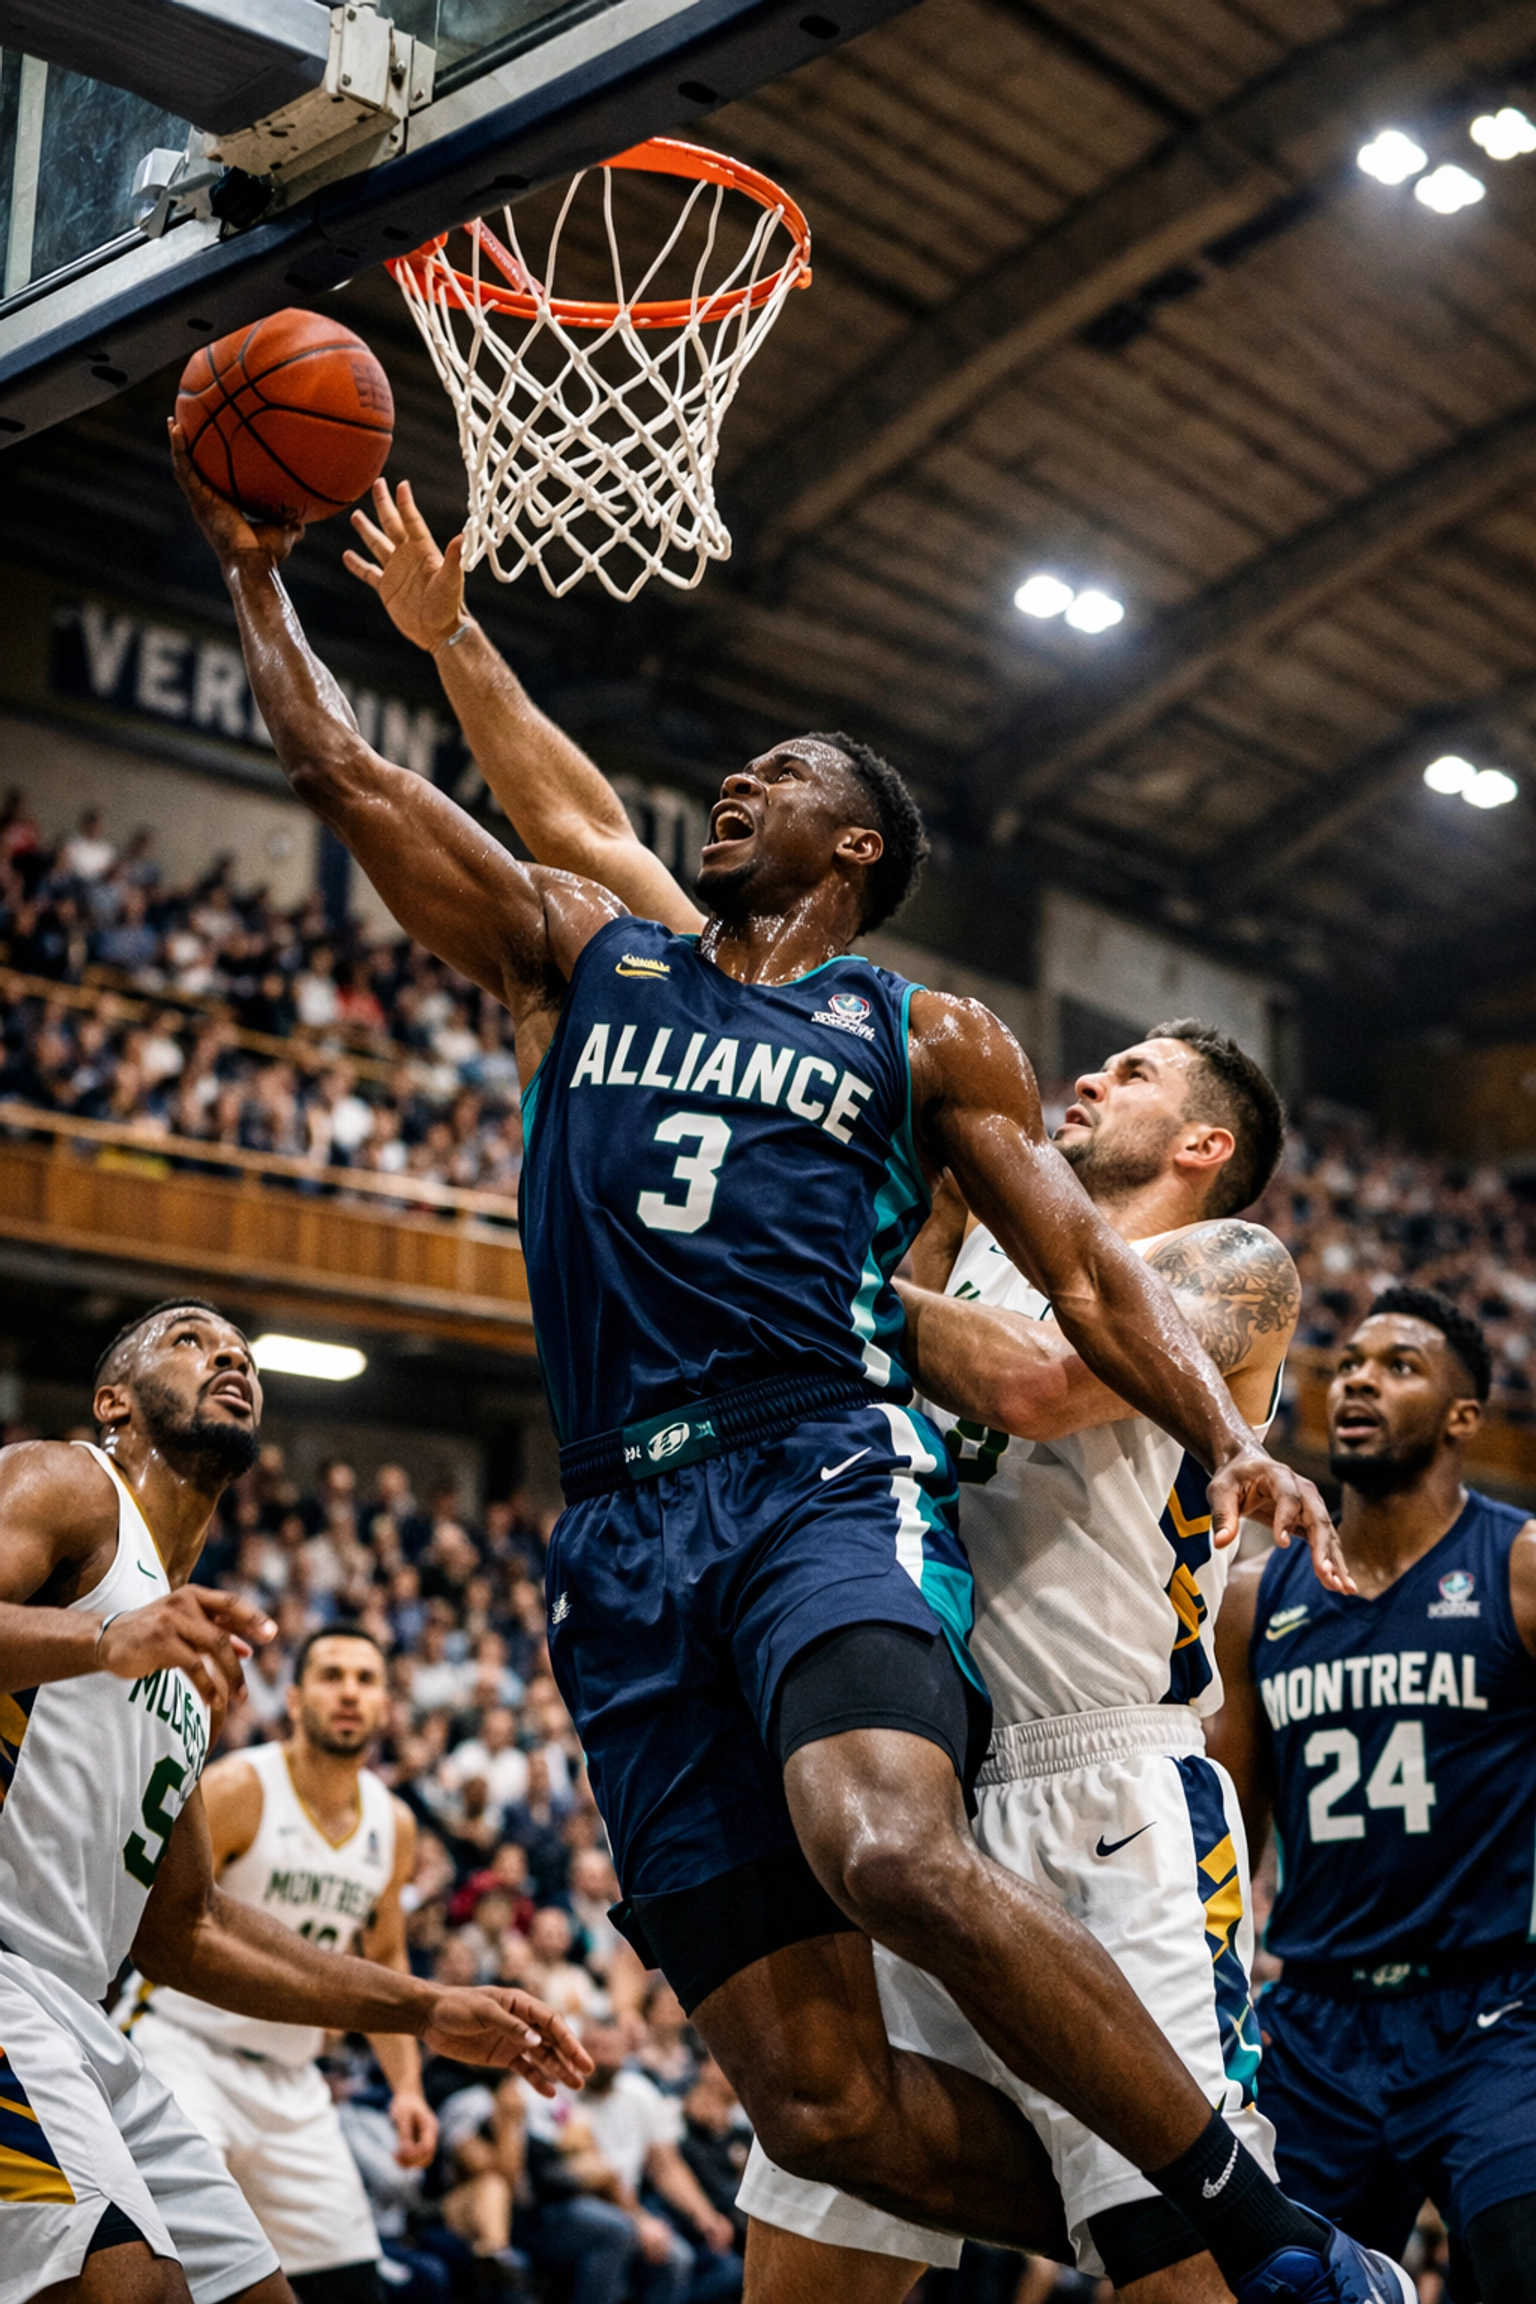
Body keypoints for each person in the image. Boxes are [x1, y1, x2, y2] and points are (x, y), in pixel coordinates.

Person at [173, 434, 1401, 2304]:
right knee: (819, 2107)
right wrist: (262, 572)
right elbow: (350, 767)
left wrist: (1232, 1430)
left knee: (883, 1847)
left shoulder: (919, 1033)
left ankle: (1254, 2232)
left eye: (786, 775)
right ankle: (1165, 2216)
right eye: (733, 772)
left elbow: (1081, 1279)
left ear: (857, 849)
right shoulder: (589, 957)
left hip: (815, 1470)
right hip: (614, 1532)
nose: (737, 779)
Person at [737, 1024, 1299, 2301]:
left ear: (1205, 1146)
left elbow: (1046, 1383)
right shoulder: (979, 1254)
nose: (1089, 1077)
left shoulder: (1225, 1263)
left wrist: (802, 1276)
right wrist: (928, 1207)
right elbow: (854, 1389)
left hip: (1110, 1798)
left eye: (1137, 1073)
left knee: (1188, 2268)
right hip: (909, 1789)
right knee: (807, 2258)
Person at [0, 1296, 589, 2304]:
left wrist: (424, 2009)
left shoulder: (186, 1648)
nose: (227, 1355)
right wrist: (102, 1643)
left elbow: (188, 1930)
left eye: (238, 1350)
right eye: (188, 1341)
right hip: (9, 1983)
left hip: (81, 2014)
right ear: (115, 1402)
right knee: (133, 2289)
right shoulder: (68, 1484)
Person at [1208, 1288, 1536, 2302]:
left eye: (1399, 1365)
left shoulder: (1519, 1565)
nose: (1357, 1377)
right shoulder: (1259, 1599)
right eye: (1348, 1360)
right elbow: (1226, 1831)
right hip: (1314, 2026)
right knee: (1273, 2283)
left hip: (1491, 2010)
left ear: (1461, 1419)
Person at [120, 1623, 438, 2304]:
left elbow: (383, 1953)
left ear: (385, 1705)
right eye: (331, 1676)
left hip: (295, 2082)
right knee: (165, 2271)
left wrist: (406, 2087)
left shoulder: (395, 1823)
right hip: (183, 2051)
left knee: (353, 2288)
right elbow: (155, 1918)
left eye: (365, 1679)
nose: (348, 1692)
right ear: (294, 1699)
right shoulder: (242, 1787)